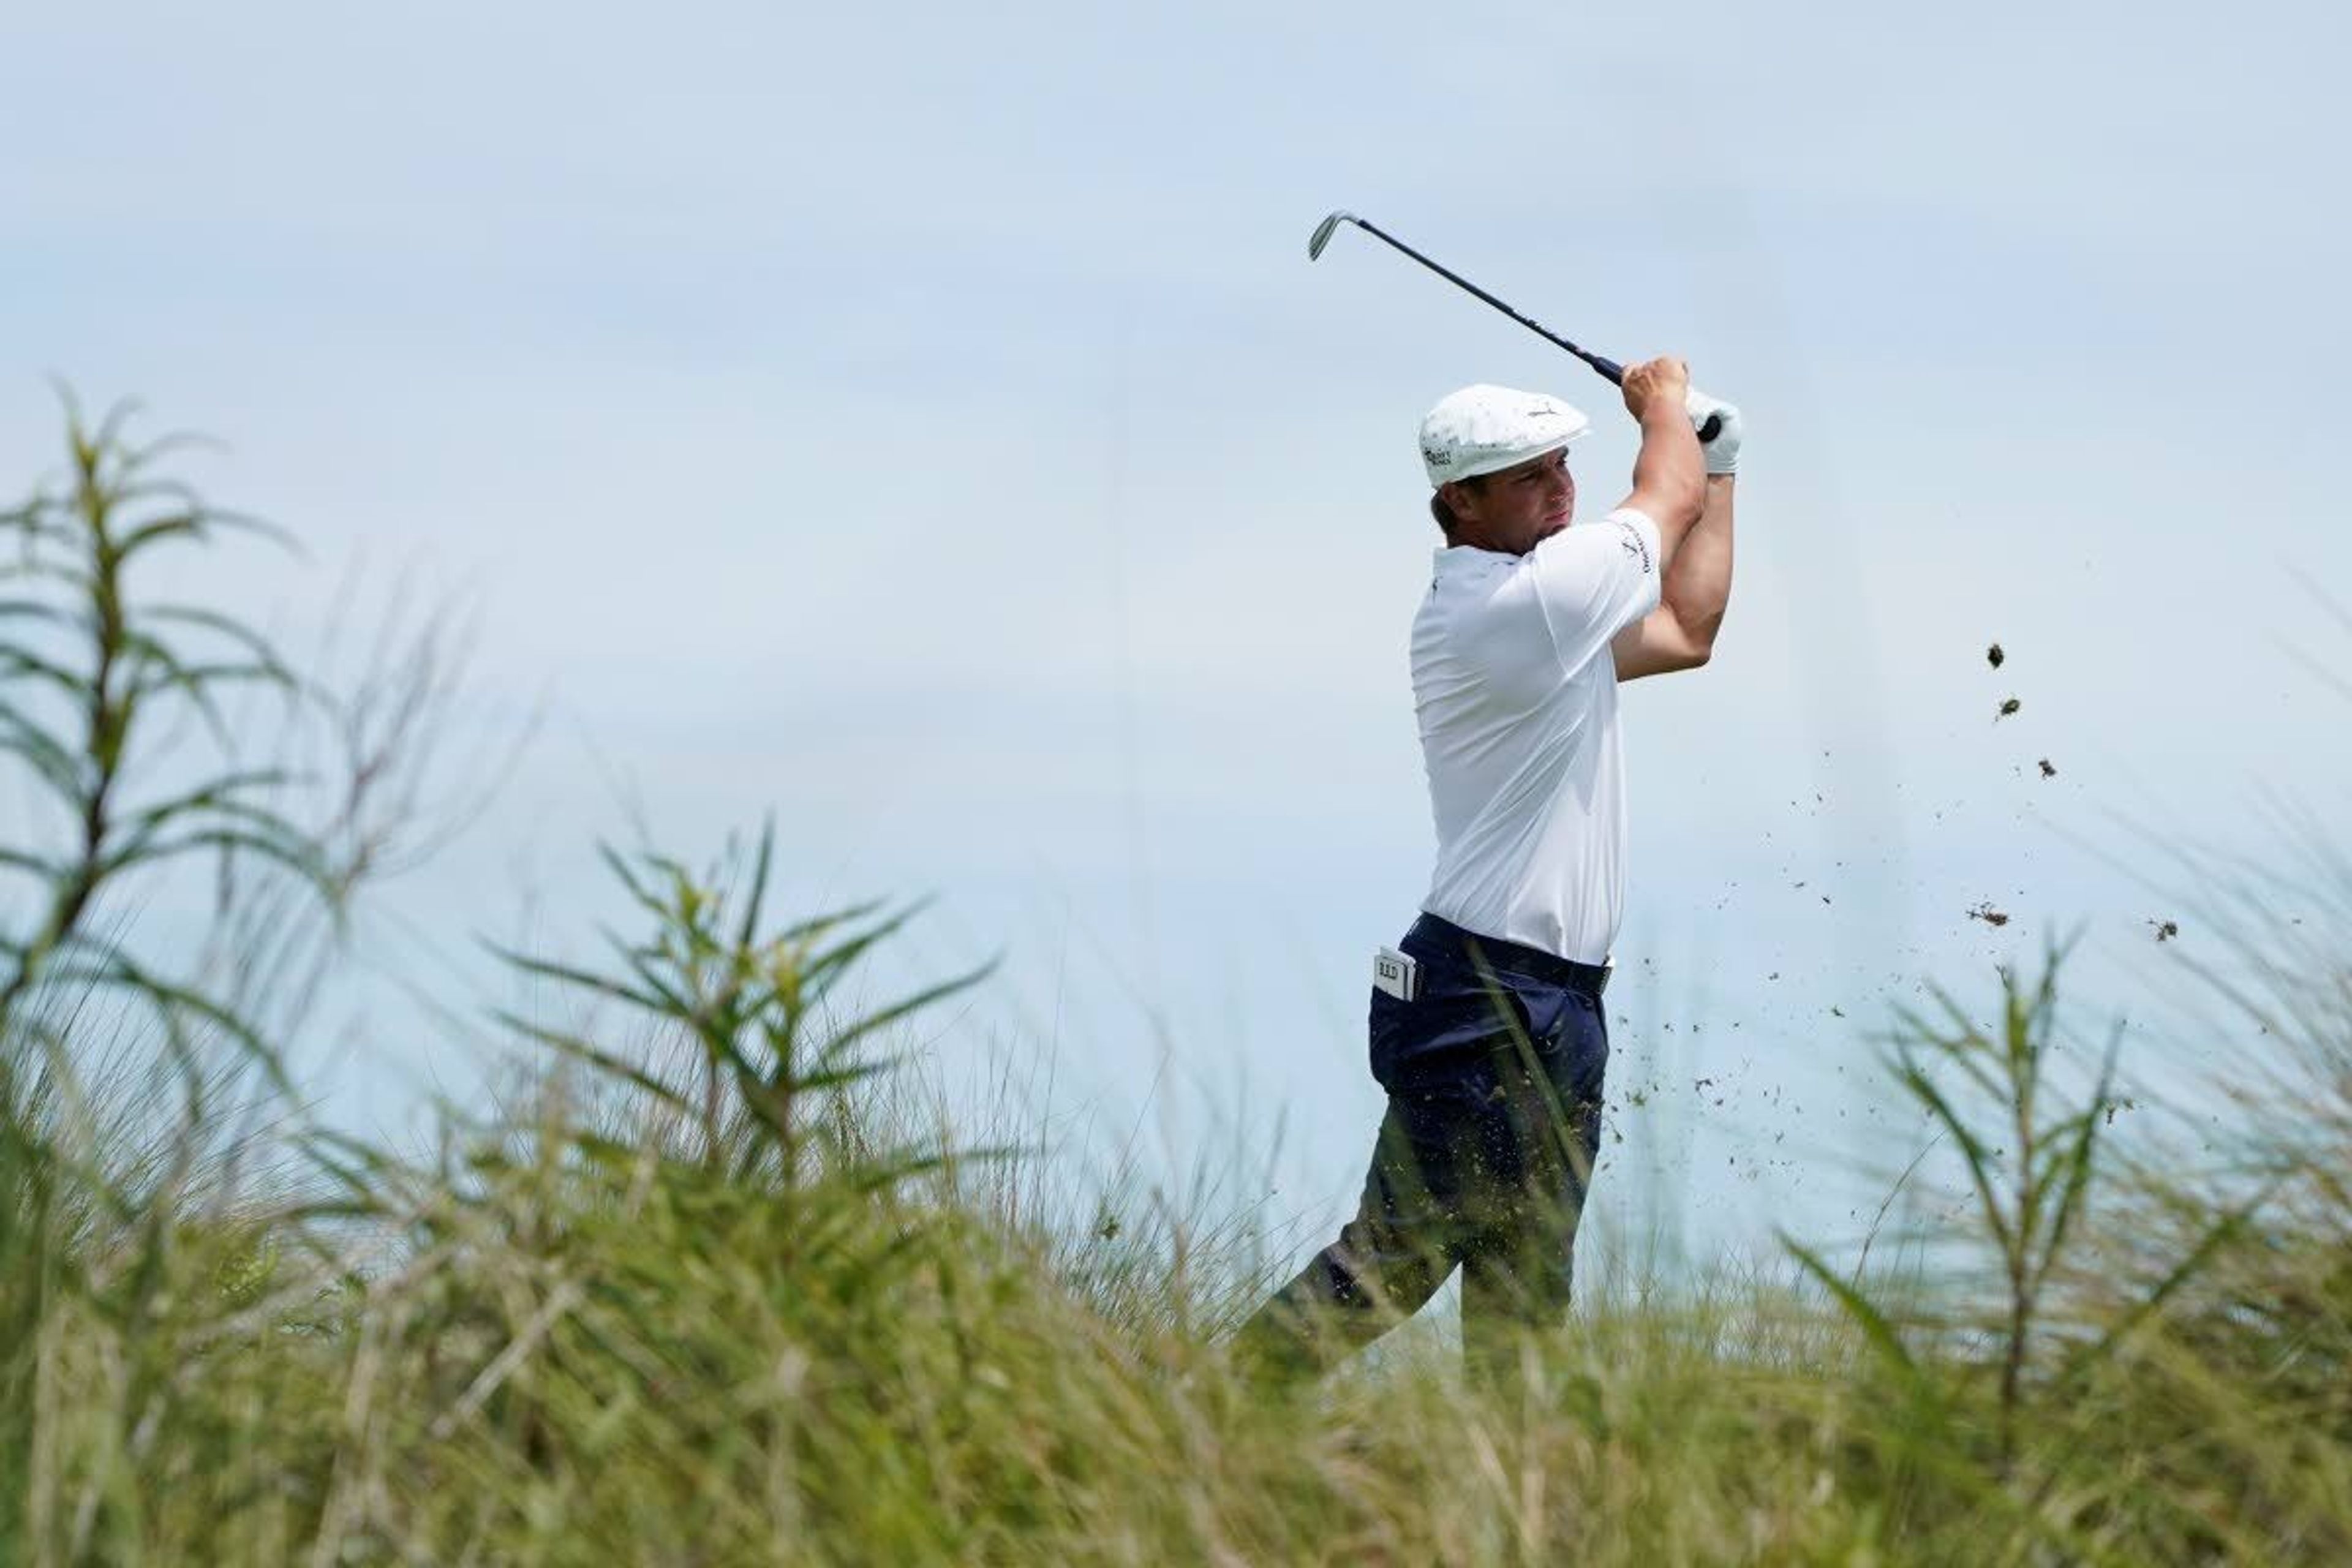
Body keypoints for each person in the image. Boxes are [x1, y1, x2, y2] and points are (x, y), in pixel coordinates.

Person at [1234, 358, 1741, 1397]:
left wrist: (1720, 462)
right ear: (1458, 502)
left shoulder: (1549, 614)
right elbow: (1664, 496)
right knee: (1402, 1255)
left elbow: (1688, 631)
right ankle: (1204, 1415)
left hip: (1554, 1000)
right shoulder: (1520, 609)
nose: (1559, 487)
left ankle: (1504, 1497)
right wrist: (1665, 407)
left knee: (1526, 1279)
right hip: (1485, 993)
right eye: (1526, 476)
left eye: (1561, 465)